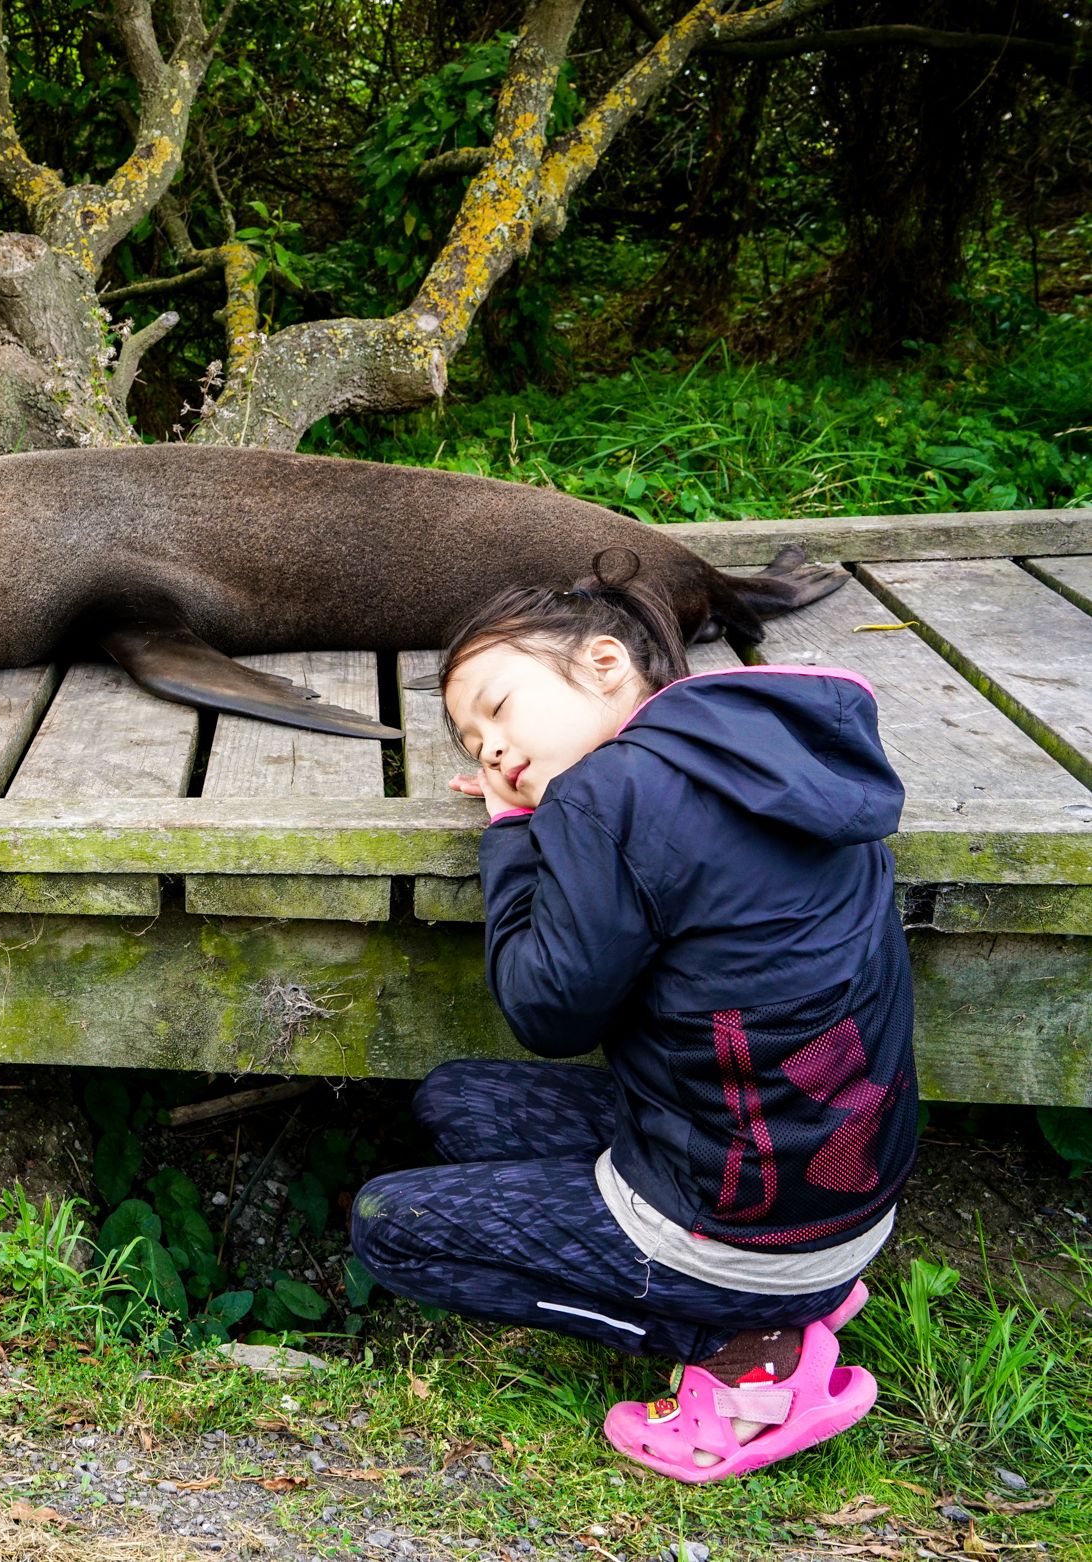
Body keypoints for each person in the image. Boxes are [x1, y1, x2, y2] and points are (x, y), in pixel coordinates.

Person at [348, 560, 916, 1483]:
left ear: (606, 663)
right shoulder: (759, 747)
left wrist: (515, 835)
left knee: (391, 1225)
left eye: (499, 708)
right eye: (470, 741)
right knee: (456, 1103)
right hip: (831, 1188)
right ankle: (783, 1294)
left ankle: (745, 1349)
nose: (488, 750)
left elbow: (544, 1010)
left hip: (741, 1228)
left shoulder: (607, 796)